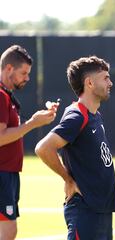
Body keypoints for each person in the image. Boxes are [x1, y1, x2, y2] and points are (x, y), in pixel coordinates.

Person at [35, 56, 115, 239]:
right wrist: (69, 180)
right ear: (89, 83)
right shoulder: (78, 116)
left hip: (100, 208)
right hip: (85, 209)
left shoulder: (93, 114)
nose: (110, 83)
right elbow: (43, 148)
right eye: (105, 78)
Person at [0, 45, 58, 239]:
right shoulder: (0, 96)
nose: (27, 78)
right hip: (2, 173)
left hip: (8, 173)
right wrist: (33, 123)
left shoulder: (6, 95)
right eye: (23, 73)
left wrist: (37, 119)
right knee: (8, 231)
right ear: (9, 68)